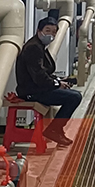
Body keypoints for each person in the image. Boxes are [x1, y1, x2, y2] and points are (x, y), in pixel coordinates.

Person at [14, 15, 82, 147]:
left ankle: (56, 129)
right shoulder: (34, 48)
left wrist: (58, 80)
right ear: (39, 31)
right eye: (47, 30)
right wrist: (57, 84)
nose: (51, 35)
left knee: (72, 94)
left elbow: (43, 72)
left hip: (36, 89)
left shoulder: (39, 45)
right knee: (74, 97)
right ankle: (54, 129)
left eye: (54, 32)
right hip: (31, 92)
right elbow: (39, 76)